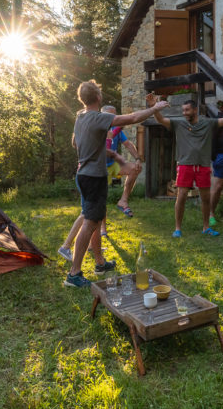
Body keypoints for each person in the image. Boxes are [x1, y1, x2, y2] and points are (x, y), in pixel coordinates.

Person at [65, 81, 167, 288]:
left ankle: (99, 264)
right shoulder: (98, 117)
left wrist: (111, 156)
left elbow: (76, 143)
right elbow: (132, 118)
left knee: (93, 220)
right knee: (90, 223)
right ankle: (74, 274)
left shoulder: (80, 116)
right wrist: (155, 108)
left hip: (84, 174)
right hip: (93, 178)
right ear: (99, 97)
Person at [149, 91, 223, 238]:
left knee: (205, 198)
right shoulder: (179, 123)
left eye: (187, 110)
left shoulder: (208, 123)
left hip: (203, 166)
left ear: (195, 110)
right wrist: (154, 107)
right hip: (185, 165)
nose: (184, 113)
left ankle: (206, 227)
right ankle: (177, 228)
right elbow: (160, 120)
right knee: (182, 196)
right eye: (183, 110)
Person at [103, 105, 142, 217]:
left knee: (135, 168)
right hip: (99, 167)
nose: (114, 118)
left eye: (115, 115)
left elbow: (128, 144)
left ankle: (123, 201)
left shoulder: (116, 130)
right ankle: (103, 231)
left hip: (113, 165)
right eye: (111, 116)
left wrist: (138, 158)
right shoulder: (98, 129)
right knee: (101, 199)